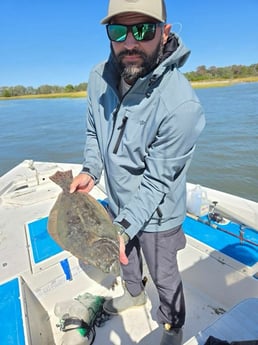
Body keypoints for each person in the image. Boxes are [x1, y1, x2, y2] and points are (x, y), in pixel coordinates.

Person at [70, 0, 205, 344]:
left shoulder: (181, 105)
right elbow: (93, 133)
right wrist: (91, 170)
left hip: (158, 214)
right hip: (116, 200)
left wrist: (123, 228)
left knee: (165, 277)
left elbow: (157, 181)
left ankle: (172, 328)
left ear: (165, 33)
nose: (129, 43)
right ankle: (133, 294)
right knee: (125, 259)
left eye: (143, 29)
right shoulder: (97, 78)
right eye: (118, 31)